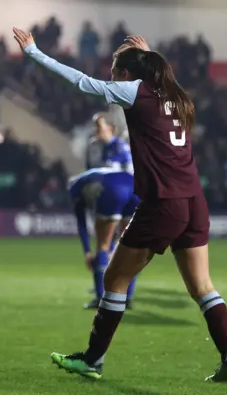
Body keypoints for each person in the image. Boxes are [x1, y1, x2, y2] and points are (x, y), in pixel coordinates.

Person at [13, 29, 227, 382]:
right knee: (202, 287)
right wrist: (148, 53)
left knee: (114, 277)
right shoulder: (175, 94)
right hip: (194, 200)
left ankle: (93, 360)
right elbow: (157, 77)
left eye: (114, 70)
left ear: (126, 75)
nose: (110, 76)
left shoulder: (134, 92)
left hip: (164, 201)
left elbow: (80, 82)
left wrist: (34, 53)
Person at [82, 113, 139, 310]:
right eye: (95, 127)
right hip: (108, 197)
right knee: (109, 246)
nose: (96, 131)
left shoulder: (121, 148)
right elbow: (89, 171)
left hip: (126, 198)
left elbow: (126, 176)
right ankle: (105, 295)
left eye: (99, 127)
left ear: (111, 129)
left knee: (118, 246)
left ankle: (122, 296)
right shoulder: (93, 147)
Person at [68, 165, 136, 310]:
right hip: (134, 185)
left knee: (103, 246)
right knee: (130, 246)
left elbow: (82, 223)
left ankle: (101, 298)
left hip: (113, 188)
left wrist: (87, 251)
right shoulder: (91, 175)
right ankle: (127, 297)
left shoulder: (75, 188)